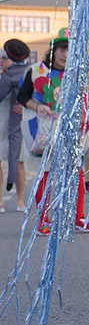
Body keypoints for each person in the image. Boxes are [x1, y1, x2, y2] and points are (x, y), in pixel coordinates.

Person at [16, 29, 89, 232]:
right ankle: (43, 220)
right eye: (62, 48)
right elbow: (22, 97)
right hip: (42, 132)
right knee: (45, 173)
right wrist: (38, 106)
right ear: (54, 50)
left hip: (70, 132)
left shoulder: (78, 76)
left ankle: (78, 218)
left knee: (75, 172)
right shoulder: (36, 71)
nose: (65, 54)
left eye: (70, 49)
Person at [0, 40, 31, 214]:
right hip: (1, 121)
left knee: (19, 162)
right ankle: (0, 202)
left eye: (4, 57)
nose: (2, 60)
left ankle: (20, 200)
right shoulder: (6, 74)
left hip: (15, 121)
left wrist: (25, 104)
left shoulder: (25, 72)